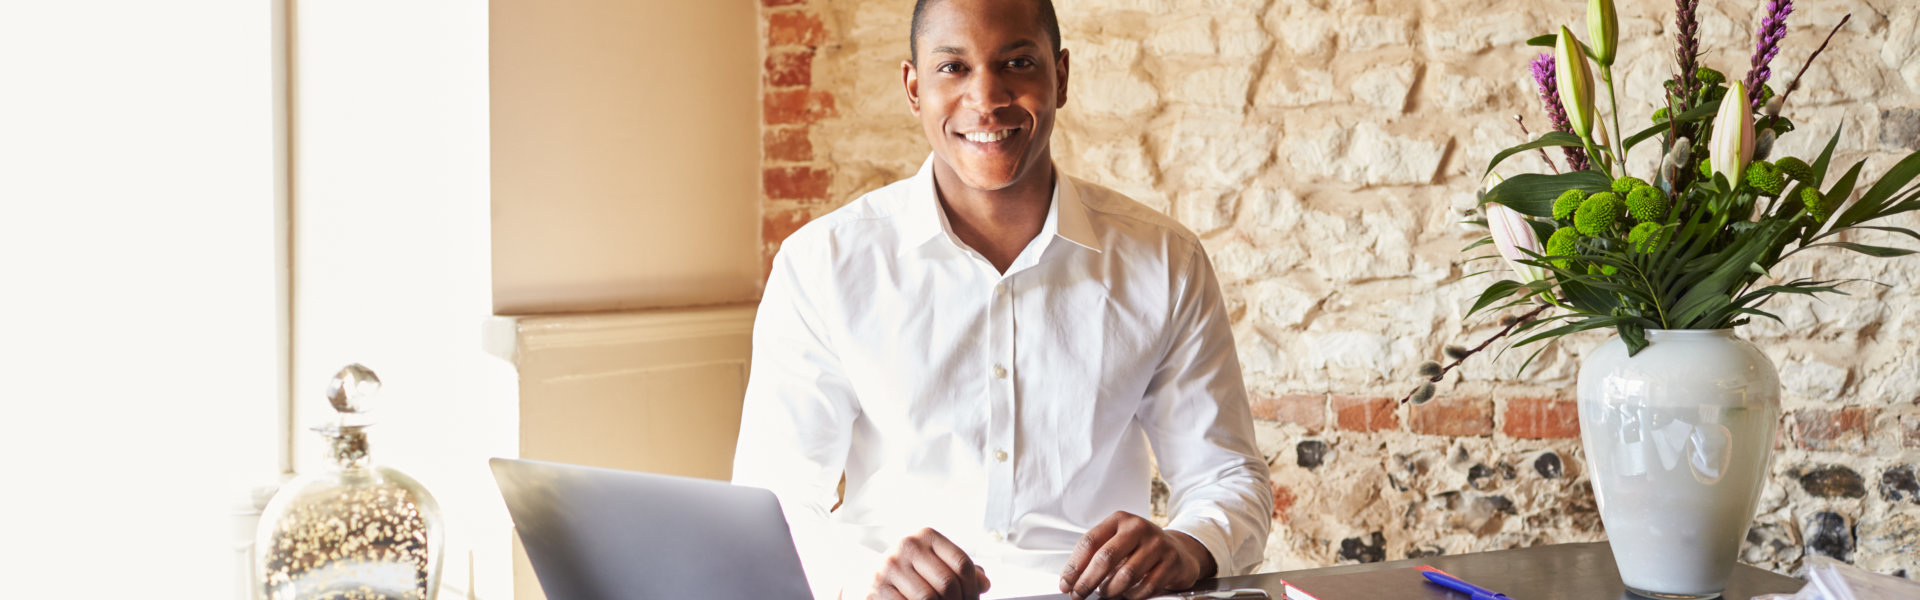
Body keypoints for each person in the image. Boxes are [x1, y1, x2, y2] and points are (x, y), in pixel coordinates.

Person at [732, 0, 1272, 598]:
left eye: (1016, 62)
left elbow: (1226, 475)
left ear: (1059, 77)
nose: (987, 98)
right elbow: (773, 499)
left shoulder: (1165, 261)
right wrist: (865, 577)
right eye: (953, 68)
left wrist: (1189, 545)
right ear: (914, 88)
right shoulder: (822, 264)